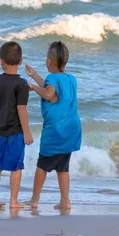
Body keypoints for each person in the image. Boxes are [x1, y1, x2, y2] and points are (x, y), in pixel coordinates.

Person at [25, 41, 82, 210]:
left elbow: (49, 94)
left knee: (42, 166)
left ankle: (34, 200)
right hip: (72, 130)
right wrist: (35, 75)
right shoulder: (71, 79)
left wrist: (33, 87)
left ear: (49, 61)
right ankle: (65, 200)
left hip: (56, 131)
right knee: (63, 168)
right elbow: (52, 87)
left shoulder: (52, 79)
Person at [0, 41, 34, 209]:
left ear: (1, 61)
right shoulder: (21, 84)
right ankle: (14, 201)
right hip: (15, 132)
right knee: (16, 166)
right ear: (20, 61)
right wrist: (27, 133)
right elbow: (21, 109)